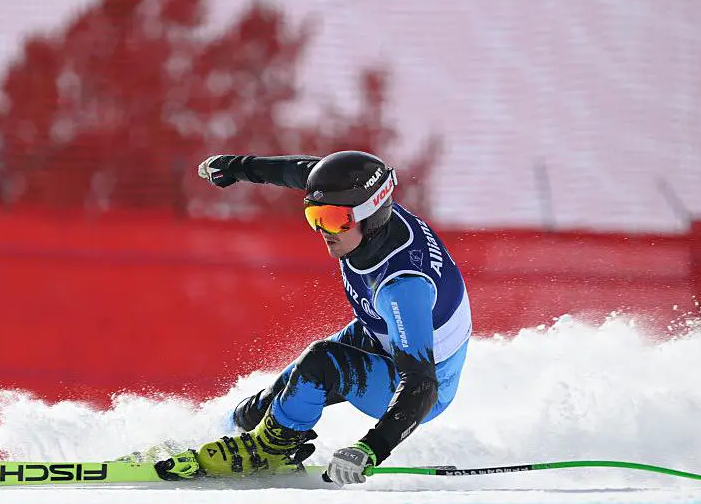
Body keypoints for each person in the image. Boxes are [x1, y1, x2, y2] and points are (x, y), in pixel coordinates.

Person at [153, 150, 472, 486]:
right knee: (276, 396)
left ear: (370, 214)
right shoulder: (369, 215)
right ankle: (217, 434)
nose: (323, 230)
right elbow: (303, 172)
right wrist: (238, 167)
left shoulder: (403, 288)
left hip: (424, 385)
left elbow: (421, 386)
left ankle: (270, 450)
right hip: (381, 335)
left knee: (320, 363)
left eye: (334, 220)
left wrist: (371, 448)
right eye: (315, 216)